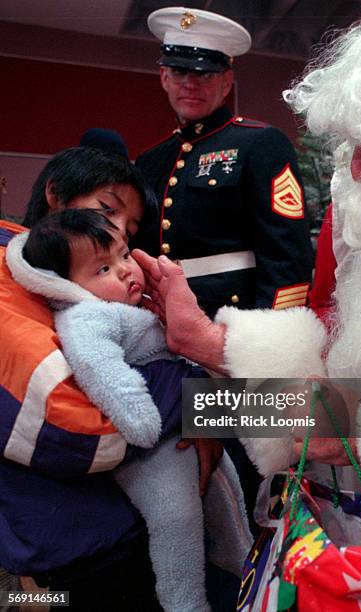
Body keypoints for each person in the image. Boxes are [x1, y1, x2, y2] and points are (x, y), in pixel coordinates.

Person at [135, 2, 361, 606]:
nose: (353, 169)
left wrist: (217, 356)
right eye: (348, 143)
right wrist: (206, 380)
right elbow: (338, 393)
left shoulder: (258, 148)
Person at [0, 147, 226, 610]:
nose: (120, 232)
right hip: (74, 557)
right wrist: (203, 392)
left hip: (113, 533)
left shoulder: (93, 293)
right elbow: (75, 426)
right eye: (107, 210)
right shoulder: (12, 279)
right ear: (56, 197)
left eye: (130, 232)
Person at [136, 6, 314, 319]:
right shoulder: (150, 160)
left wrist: (272, 335)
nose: (190, 83)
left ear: (227, 80)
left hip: (232, 320)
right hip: (157, 317)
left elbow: (288, 256)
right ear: (164, 77)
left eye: (204, 73)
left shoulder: (260, 143)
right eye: (179, 71)